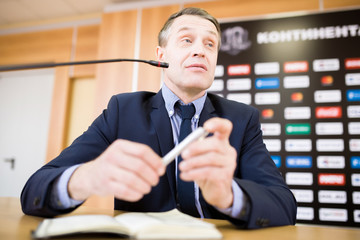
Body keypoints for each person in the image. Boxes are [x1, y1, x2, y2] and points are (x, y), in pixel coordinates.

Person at [21, 7, 297, 229]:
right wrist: (86, 177)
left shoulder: (240, 119)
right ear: (160, 55)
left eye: (210, 44)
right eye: (186, 40)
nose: (200, 50)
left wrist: (228, 195)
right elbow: (33, 191)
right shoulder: (122, 110)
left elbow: (284, 205)